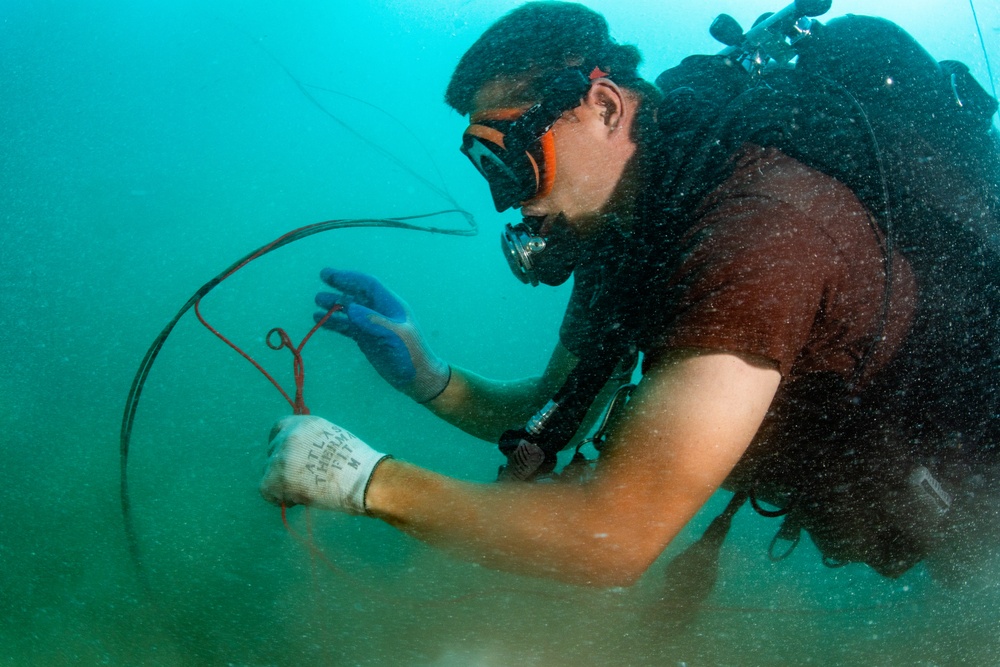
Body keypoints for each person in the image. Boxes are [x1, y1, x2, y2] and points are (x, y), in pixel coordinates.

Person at [260, 1, 1000, 586]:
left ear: (606, 108)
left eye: (510, 159)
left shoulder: (760, 228)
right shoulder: (633, 217)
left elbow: (612, 538)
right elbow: (545, 409)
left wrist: (361, 479)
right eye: (486, 167)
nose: (508, 202)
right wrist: (432, 377)